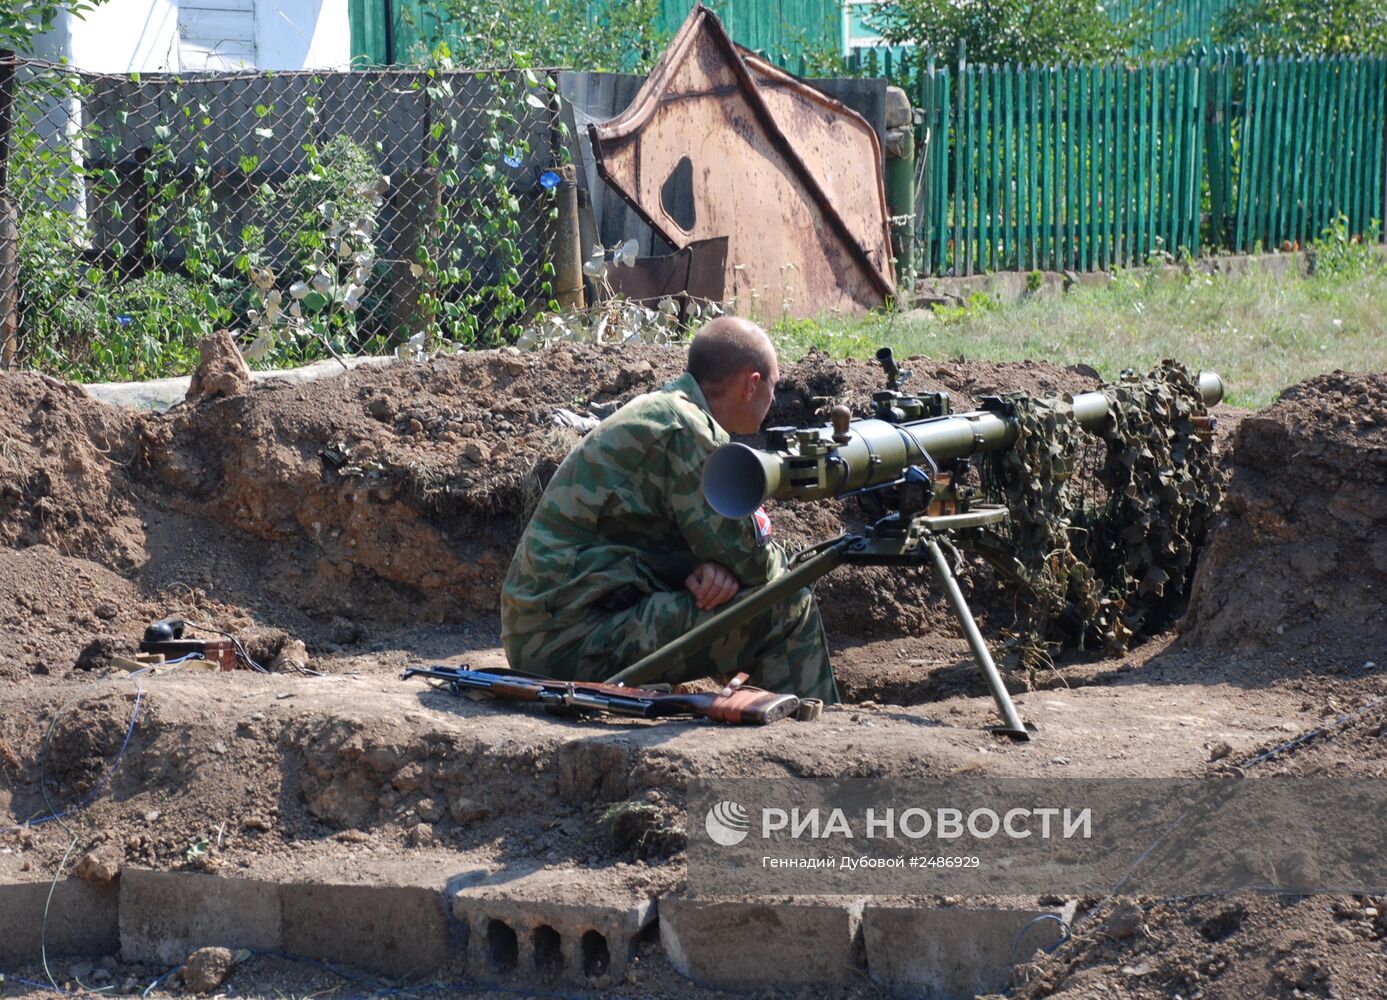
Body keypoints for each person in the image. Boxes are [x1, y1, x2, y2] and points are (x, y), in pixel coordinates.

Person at [500, 316, 838, 703]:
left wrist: (705, 568)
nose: (773, 400)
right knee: (787, 603)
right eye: (773, 387)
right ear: (752, 384)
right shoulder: (688, 432)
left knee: (738, 598)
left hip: (549, 629)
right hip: (567, 644)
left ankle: (766, 716)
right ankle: (812, 737)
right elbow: (756, 566)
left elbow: (654, 537)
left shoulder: (664, 410)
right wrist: (731, 565)